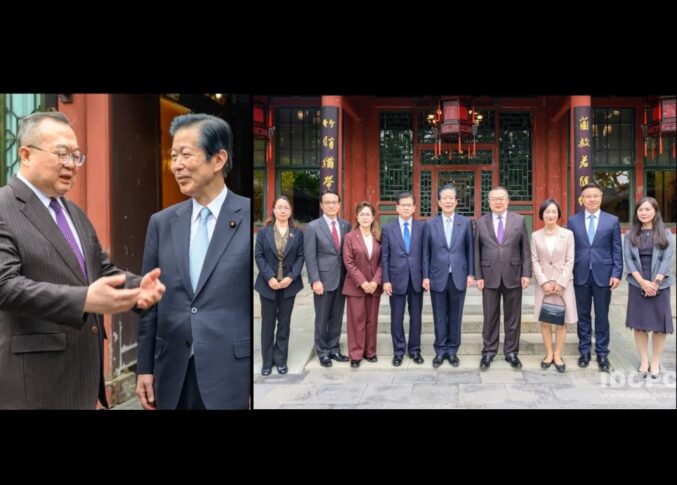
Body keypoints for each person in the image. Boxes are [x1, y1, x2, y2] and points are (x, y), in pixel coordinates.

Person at [0, 112, 165, 410]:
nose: (71, 164)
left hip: (84, 381)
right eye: (61, 154)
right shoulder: (4, 207)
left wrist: (137, 288)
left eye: (76, 156)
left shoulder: (73, 212)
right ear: (25, 154)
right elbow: (5, 286)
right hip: (34, 384)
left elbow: (101, 270)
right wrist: (84, 299)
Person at [136, 114, 250, 410]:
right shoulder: (162, 223)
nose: (176, 165)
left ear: (218, 159)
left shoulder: (247, 216)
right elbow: (149, 302)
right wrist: (144, 367)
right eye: (173, 156)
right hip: (172, 372)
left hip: (232, 374)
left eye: (186, 155)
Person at [567, 182, 622, 372]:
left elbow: (617, 249)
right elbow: (570, 249)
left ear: (601, 198)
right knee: (582, 315)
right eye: (588, 196)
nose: (592, 199)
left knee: (602, 316)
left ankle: (602, 353)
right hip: (580, 274)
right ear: (582, 199)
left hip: (604, 275)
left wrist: (616, 273)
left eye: (595, 196)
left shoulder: (612, 221)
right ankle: (584, 351)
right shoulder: (573, 221)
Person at [475, 186, 531, 370]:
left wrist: (526, 273)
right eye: (494, 199)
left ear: (507, 201)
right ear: (489, 202)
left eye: (501, 198)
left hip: (513, 274)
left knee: (513, 317)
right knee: (489, 316)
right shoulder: (481, 222)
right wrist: (478, 275)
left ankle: (511, 352)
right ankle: (489, 351)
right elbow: (476, 251)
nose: (498, 202)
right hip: (488, 275)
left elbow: (525, 249)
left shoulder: (519, 220)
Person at [422, 184, 474, 368]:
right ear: (439, 202)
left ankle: (452, 351)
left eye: (451, 198)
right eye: (445, 198)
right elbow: (426, 253)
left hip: (458, 276)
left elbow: (470, 249)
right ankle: (440, 350)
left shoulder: (465, 223)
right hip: (437, 276)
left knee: (455, 316)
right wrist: (425, 276)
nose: (448, 201)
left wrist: (471, 273)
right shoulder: (430, 224)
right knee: (439, 315)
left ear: (456, 201)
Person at [623, 197, 673, 379]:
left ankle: (656, 361)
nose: (643, 213)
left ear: (655, 211)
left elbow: (666, 260)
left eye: (647, 209)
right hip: (637, 284)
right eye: (640, 210)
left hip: (660, 284)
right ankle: (644, 360)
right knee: (640, 325)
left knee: (660, 326)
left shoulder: (665, 233)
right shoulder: (630, 235)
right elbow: (629, 260)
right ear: (636, 212)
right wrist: (643, 282)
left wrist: (655, 283)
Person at [254, 196, 304, 376]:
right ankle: (267, 362)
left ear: (290, 211)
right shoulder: (263, 232)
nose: (282, 211)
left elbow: (301, 257)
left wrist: (291, 277)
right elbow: (259, 256)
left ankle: (281, 360)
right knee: (267, 324)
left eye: (286, 208)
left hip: (289, 285)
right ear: (273, 210)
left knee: (284, 324)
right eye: (279, 207)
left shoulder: (297, 233)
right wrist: (269, 278)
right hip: (268, 285)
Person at [304, 191, 352, 367]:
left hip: (342, 278)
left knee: (337, 317)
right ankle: (322, 352)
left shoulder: (346, 225)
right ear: (321, 205)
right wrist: (315, 280)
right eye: (327, 202)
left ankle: (334, 348)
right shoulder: (313, 227)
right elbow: (310, 256)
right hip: (323, 280)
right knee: (322, 317)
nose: (331, 205)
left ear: (339, 205)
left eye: (334, 202)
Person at [530, 199, 577, 373]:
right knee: (546, 319)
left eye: (554, 212)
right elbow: (534, 260)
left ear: (558, 214)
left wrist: (560, 282)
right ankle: (548, 353)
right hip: (544, 285)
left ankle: (558, 354)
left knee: (562, 320)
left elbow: (570, 259)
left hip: (564, 284)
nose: (550, 215)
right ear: (542, 215)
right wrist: (543, 282)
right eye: (547, 212)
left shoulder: (568, 234)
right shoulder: (535, 235)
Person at [381, 191, 425, 367]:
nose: (406, 208)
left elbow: (425, 255)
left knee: (416, 317)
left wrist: (426, 277)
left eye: (409, 205)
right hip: (396, 279)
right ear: (397, 207)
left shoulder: (422, 227)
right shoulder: (387, 228)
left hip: (416, 279)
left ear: (414, 208)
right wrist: (386, 280)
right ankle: (398, 351)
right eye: (403, 205)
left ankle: (415, 350)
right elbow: (384, 257)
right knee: (396, 317)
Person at [342, 202, 382, 368]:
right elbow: (348, 262)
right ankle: (356, 354)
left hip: (374, 286)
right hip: (355, 286)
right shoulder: (350, 237)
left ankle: (370, 352)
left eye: (368, 214)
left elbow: (383, 261)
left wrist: (375, 281)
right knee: (356, 320)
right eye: (362, 214)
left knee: (371, 320)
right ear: (357, 217)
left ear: (373, 217)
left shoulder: (378, 237)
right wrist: (363, 282)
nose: (365, 217)